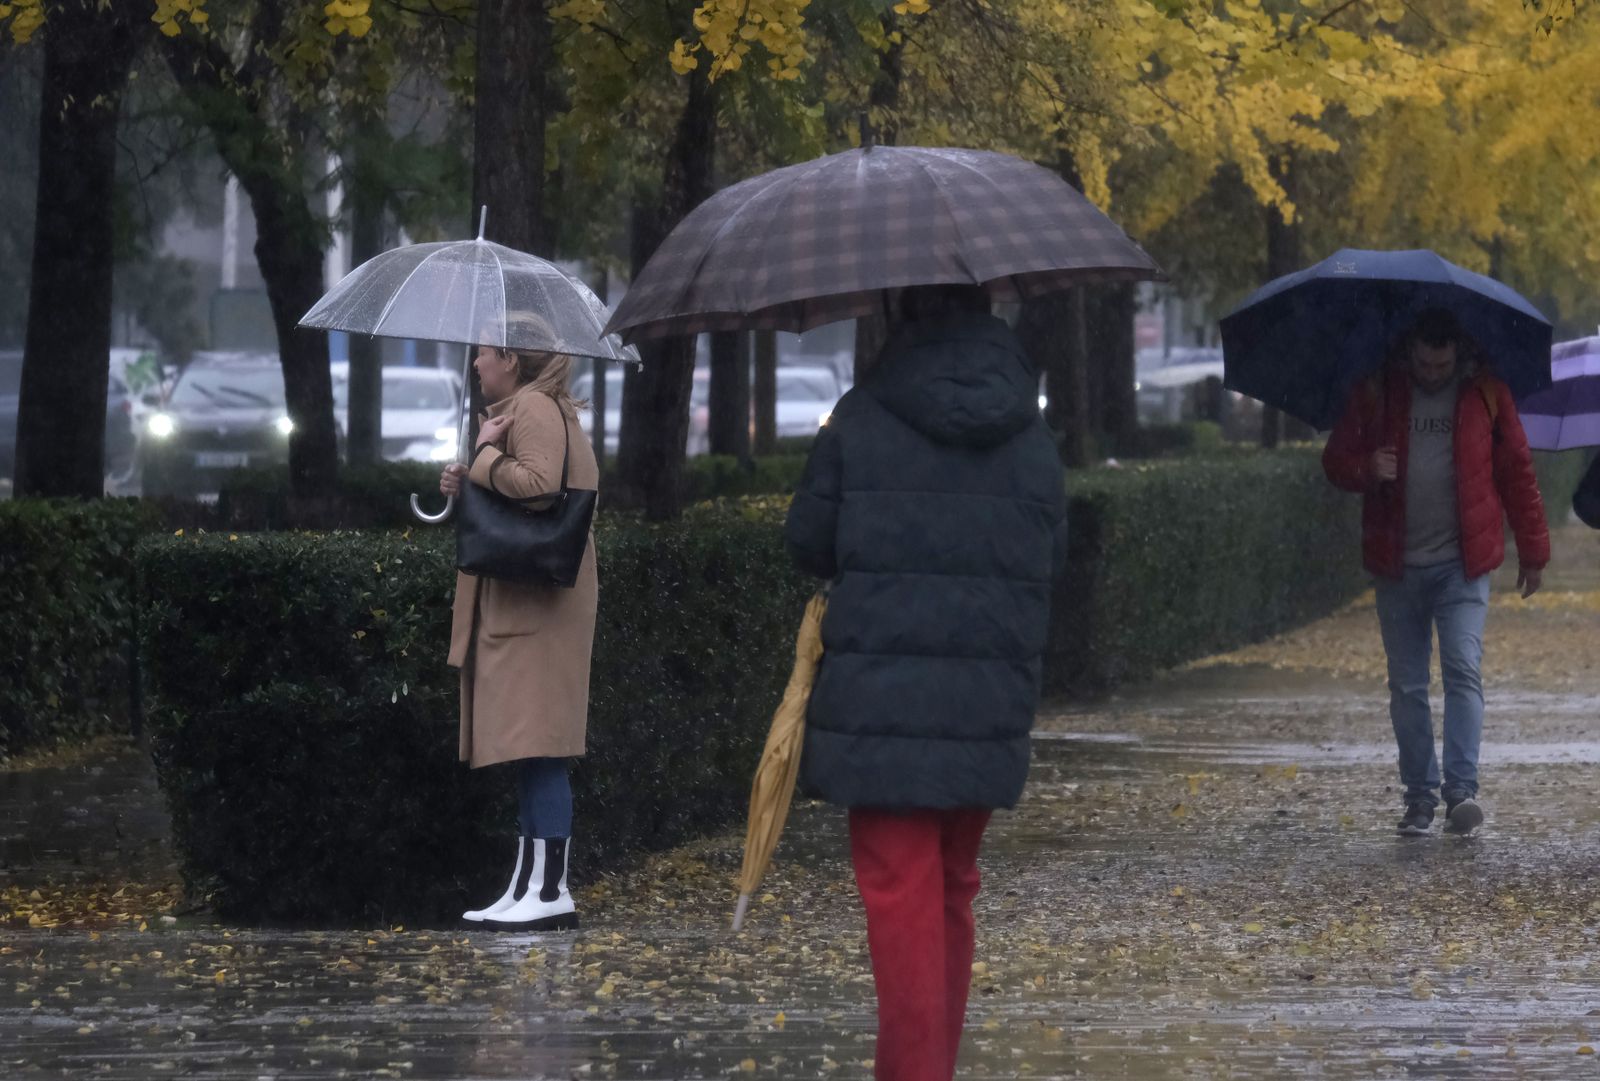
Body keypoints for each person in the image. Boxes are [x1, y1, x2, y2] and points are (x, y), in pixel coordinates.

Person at [784, 284, 1068, 1081]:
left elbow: (808, 540)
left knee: (900, 893)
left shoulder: (861, 416)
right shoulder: (1029, 430)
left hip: (884, 701)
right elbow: (1052, 552)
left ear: (903, 313)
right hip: (988, 700)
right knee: (950, 887)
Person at [1322, 308, 1548, 837]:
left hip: (1462, 565)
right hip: (1396, 564)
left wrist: (1534, 551)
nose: (1431, 373)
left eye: (1441, 365)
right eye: (1423, 363)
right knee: (1407, 685)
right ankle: (1419, 797)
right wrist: (1366, 467)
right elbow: (1335, 461)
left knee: (1462, 668)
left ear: (1458, 354)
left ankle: (1461, 792)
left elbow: (1517, 470)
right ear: (1410, 352)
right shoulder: (1379, 390)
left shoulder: (1486, 393)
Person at [439, 335, 598, 930]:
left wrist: (483, 456)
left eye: (484, 352)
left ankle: (551, 890)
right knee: (532, 749)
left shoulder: (532, 406)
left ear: (510, 358)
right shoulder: (532, 407)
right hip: (535, 600)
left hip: (540, 606)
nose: (476, 362)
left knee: (541, 745)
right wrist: (471, 477)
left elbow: (539, 484)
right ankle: (528, 885)